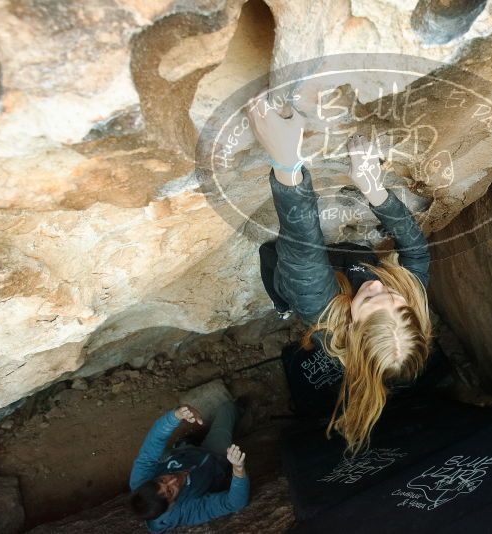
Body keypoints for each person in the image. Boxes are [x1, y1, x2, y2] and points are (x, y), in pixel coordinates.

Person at [248, 95, 433, 456]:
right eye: (394, 300)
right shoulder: (410, 300)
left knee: (278, 267)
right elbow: (417, 251)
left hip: (297, 279)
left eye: (370, 301)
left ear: (351, 326)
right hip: (345, 262)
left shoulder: (320, 309)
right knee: (350, 264)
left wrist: (286, 162)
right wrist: (375, 191)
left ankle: (280, 305)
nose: (380, 286)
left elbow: (303, 248)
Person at [128, 402, 249, 532]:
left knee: (158, 454)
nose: (173, 480)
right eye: (170, 491)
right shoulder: (184, 512)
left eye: (162, 480)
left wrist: (177, 415)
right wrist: (238, 469)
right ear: (171, 505)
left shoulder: (140, 479)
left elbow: (153, 444)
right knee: (227, 408)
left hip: (184, 454)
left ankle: (185, 443)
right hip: (213, 460)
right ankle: (241, 409)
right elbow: (233, 503)